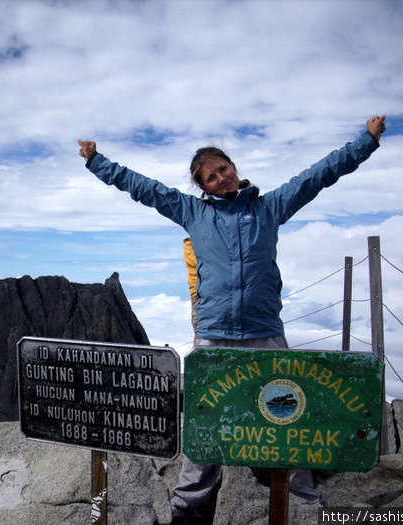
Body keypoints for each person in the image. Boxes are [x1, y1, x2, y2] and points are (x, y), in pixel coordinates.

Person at [78, 115, 386, 524]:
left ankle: (306, 506)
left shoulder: (269, 207)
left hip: (264, 334)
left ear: (235, 169)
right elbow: (144, 189)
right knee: (205, 429)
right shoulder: (193, 213)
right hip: (215, 338)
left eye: (223, 170)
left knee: (288, 424)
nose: (220, 179)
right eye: (209, 177)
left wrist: (366, 141)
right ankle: (189, 511)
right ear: (202, 187)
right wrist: (98, 162)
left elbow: (319, 175)